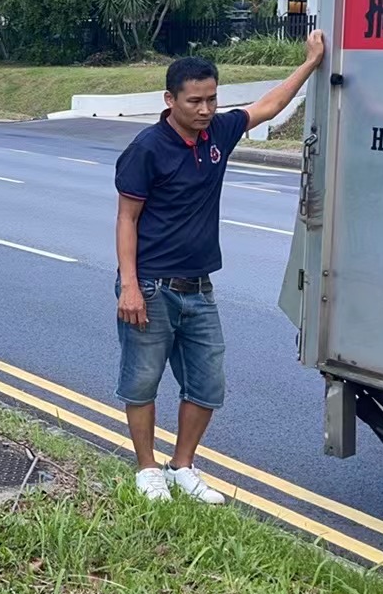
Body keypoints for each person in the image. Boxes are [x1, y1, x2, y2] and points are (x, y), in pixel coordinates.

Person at [112, 31, 327, 503]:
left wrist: (311, 63)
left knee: (208, 384)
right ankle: (147, 469)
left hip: (199, 288)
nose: (205, 109)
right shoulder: (147, 149)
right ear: (170, 100)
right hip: (151, 285)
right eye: (195, 101)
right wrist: (129, 285)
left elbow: (268, 106)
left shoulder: (218, 135)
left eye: (212, 99)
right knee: (142, 380)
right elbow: (127, 219)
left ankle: (181, 466)